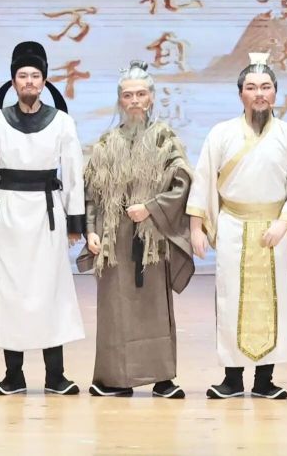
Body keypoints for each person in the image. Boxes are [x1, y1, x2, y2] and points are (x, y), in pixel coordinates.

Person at [187, 55, 287, 400]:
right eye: (251, 87)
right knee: (232, 300)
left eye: (266, 87)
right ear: (240, 94)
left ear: (275, 93)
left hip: (275, 228)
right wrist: (197, 228)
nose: (259, 94)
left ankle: (264, 379)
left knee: (275, 301)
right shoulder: (221, 133)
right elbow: (203, 180)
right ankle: (231, 379)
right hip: (233, 225)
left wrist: (284, 223)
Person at [0, 40, 87, 396]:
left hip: (47, 214)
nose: (29, 82)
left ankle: (56, 375)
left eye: (35, 76)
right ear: (13, 81)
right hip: (7, 214)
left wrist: (75, 222)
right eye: (22, 76)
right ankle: (13, 375)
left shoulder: (62, 122)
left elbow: (73, 173)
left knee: (50, 290)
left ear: (44, 81)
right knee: (10, 294)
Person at [78, 62, 193, 399]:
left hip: (151, 237)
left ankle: (162, 379)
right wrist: (90, 231)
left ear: (152, 98)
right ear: (120, 100)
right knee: (115, 310)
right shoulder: (105, 143)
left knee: (153, 308)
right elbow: (91, 194)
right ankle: (115, 379)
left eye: (141, 94)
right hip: (114, 240)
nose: (135, 101)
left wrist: (152, 208)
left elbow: (183, 182)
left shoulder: (165, 140)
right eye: (128, 95)